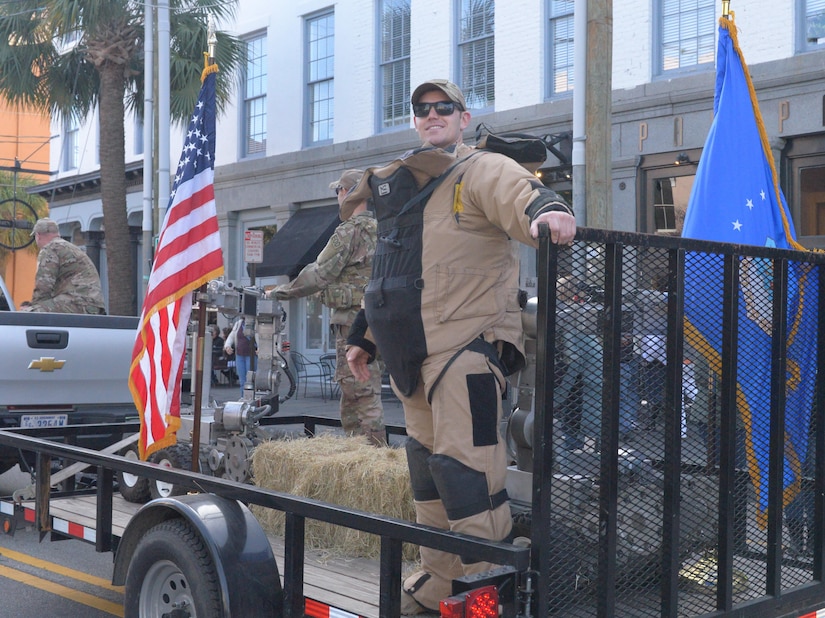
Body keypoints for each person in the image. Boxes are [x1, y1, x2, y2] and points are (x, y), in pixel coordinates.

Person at [343, 79, 576, 613]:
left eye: (443, 107)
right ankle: (442, 576)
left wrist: (548, 209)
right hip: (412, 354)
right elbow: (392, 272)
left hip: (466, 348)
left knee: (467, 469)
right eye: (422, 109)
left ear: (463, 117)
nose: (432, 115)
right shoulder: (405, 189)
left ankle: (484, 583)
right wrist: (364, 336)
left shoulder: (481, 169)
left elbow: (522, 194)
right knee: (427, 467)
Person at [268, 169, 386, 446]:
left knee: (361, 392)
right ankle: (359, 454)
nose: (337, 197)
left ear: (347, 193)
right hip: (377, 321)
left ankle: (373, 458)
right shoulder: (382, 229)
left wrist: (280, 292)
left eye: (338, 191)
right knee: (355, 392)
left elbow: (319, 273)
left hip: (352, 325)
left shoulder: (349, 232)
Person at [20, 218, 105, 314]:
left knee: (28, 313)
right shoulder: (71, 247)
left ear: (38, 235)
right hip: (93, 305)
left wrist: (36, 308)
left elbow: (44, 286)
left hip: (76, 303)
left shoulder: (50, 249)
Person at [224, 316, 255, 396]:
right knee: (242, 380)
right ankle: (243, 398)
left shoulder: (255, 323)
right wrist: (227, 346)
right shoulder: (238, 323)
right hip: (239, 355)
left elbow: (259, 336)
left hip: (251, 355)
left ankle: (252, 397)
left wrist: (259, 347)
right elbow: (232, 336)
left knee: (250, 379)